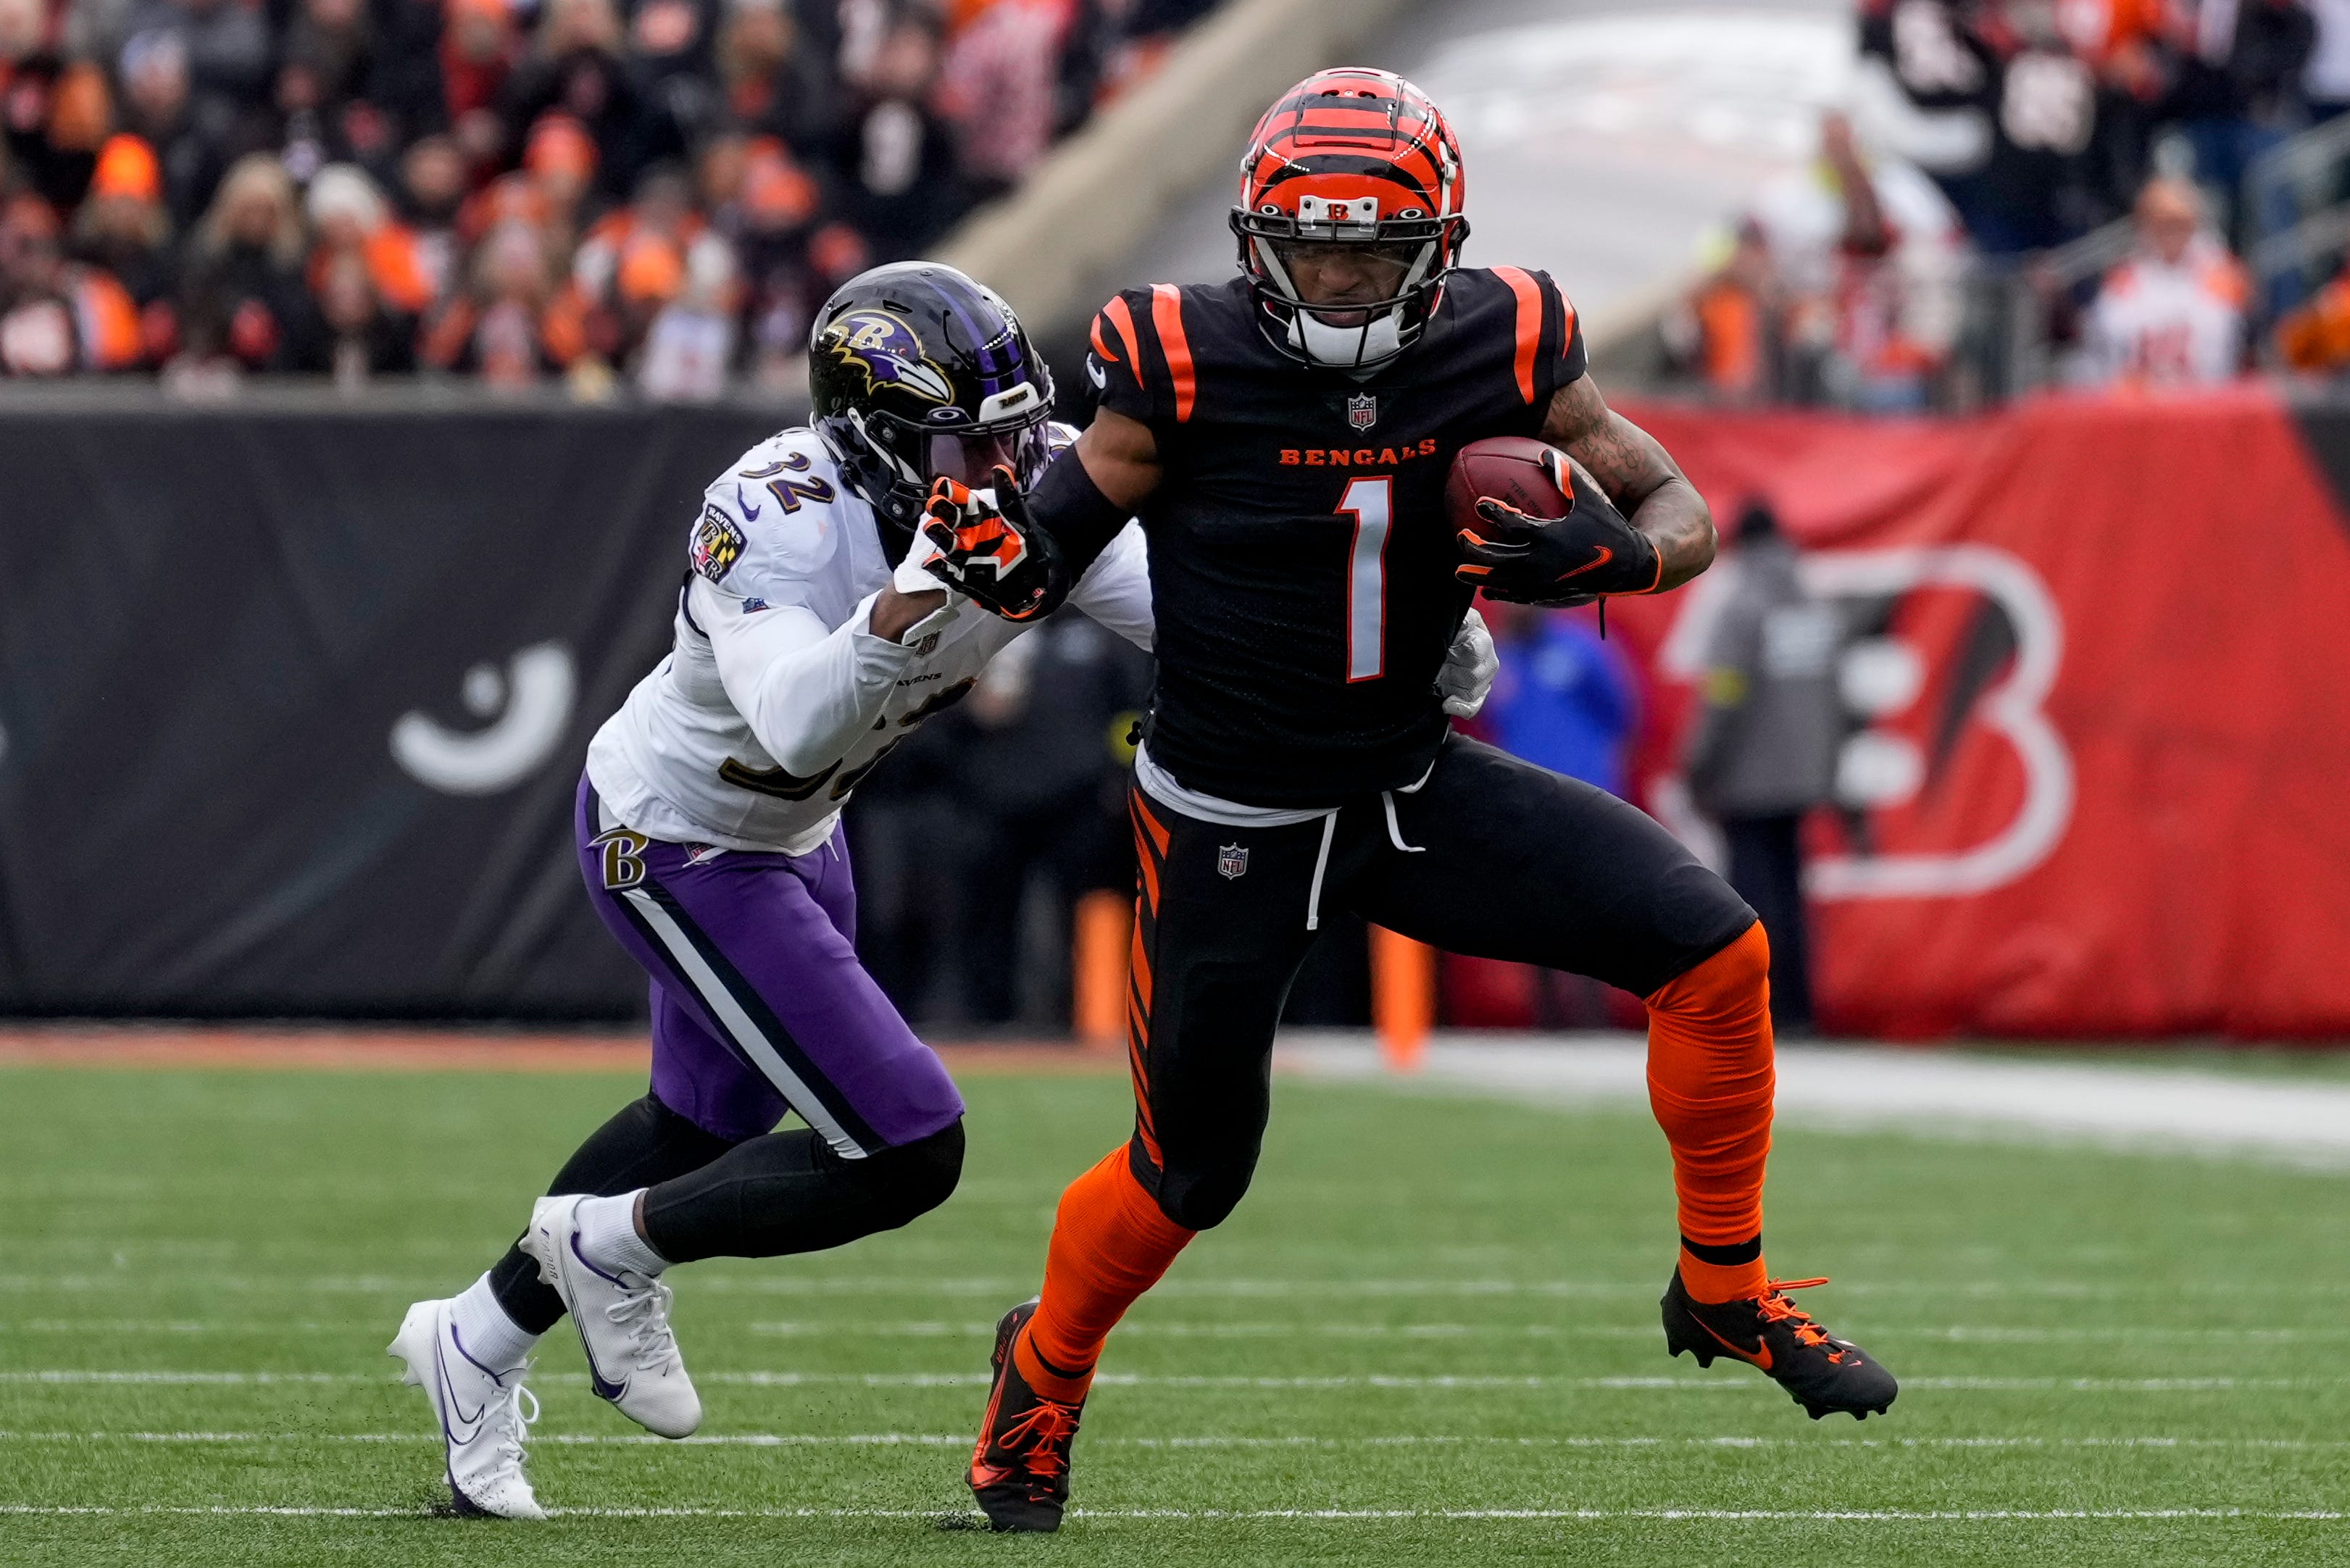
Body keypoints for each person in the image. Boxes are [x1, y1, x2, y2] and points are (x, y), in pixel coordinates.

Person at [924, 68, 1899, 1533]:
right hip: (1229, 816)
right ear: (1254, 237)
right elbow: (1055, 543)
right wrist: (1002, 561)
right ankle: (1042, 1370)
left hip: (1406, 779)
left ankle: (1722, 1283)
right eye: (1305, 247)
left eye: (1368, 251)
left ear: (1436, 246)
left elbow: (1677, 509)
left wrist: (1620, 558)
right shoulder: (1175, 352)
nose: (1332, 279)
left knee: (1715, 952)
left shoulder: (1510, 335)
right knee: (1188, 1172)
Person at [384, 258, 1499, 1519]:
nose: (1009, 463)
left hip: (798, 833)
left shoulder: (1032, 481)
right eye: (972, 442)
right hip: (677, 835)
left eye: (1021, 430)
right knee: (906, 1144)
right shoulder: (777, 509)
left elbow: (1193, 619)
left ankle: (473, 1336)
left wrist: (1395, 642)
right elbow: (795, 720)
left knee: (702, 1119)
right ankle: (605, 1247)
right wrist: (915, 590)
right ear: (874, 440)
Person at [1682, 500, 1842, 1036]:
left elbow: (1724, 695)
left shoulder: (1743, 605)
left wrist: (1699, 766)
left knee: (1750, 901)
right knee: (1791, 895)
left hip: (1747, 780)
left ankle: (1757, 1010)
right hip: (1803, 778)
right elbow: (1835, 696)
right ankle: (1799, 1011)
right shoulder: (1812, 604)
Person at [2081, 174, 2249, 386]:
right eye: (2163, 226)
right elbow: (2106, 342)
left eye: (2179, 225)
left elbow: (2236, 340)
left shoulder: (2222, 272)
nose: (2171, 235)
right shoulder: (2124, 278)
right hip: (2140, 395)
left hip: (2206, 394)